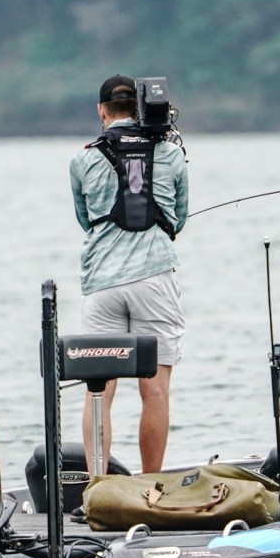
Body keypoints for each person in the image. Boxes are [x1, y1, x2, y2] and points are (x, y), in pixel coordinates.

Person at [69, 74, 189, 476]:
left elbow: (85, 220)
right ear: (139, 110)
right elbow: (179, 219)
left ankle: (98, 486)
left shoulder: (83, 160)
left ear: (101, 111)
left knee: (98, 392)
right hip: (154, 280)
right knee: (154, 391)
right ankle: (150, 485)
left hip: (102, 283)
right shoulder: (169, 154)